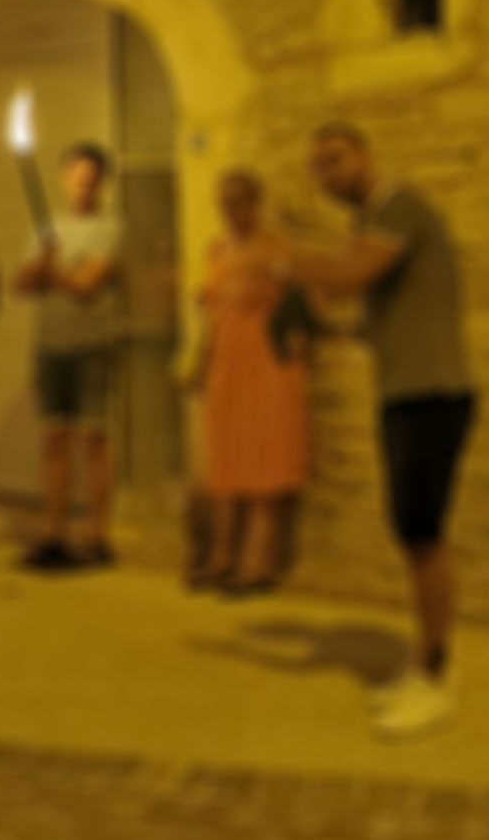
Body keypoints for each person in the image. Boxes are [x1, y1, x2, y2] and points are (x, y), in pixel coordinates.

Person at [281, 122, 474, 739]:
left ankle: (436, 679)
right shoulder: (371, 226)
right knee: (413, 531)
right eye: (320, 170)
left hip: (432, 395)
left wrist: (276, 259)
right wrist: (327, 330)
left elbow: (346, 276)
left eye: (335, 161)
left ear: (365, 153)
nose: (329, 177)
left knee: (423, 534)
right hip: (405, 396)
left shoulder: (402, 207)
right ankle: (424, 666)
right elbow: (369, 319)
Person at [193, 170, 309, 593]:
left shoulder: (277, 249)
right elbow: (211, 311)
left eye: (240, 202)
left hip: (265, 362)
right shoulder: (218, 251)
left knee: (264, 456)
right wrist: (202, 363)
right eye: (225, 204)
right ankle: (221, 557)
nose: (232, 212)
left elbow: (302, 305)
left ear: (255, 204)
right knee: (225, 459)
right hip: (229, 361)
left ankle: (256, 563)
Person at [14, 141, 124, 570]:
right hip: (51, 346)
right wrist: (44, 263)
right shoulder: (47, 227)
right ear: (65, 178)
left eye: (90, 178)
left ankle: (97, 535)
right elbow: (22, 284)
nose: (82, 185)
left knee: (95, 440)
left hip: (91, 346)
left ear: (101, 183)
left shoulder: (110, 227)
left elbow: (87, 284)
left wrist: (51, 268)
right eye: (76, 176)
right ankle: (54, 533)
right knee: (55, 440)